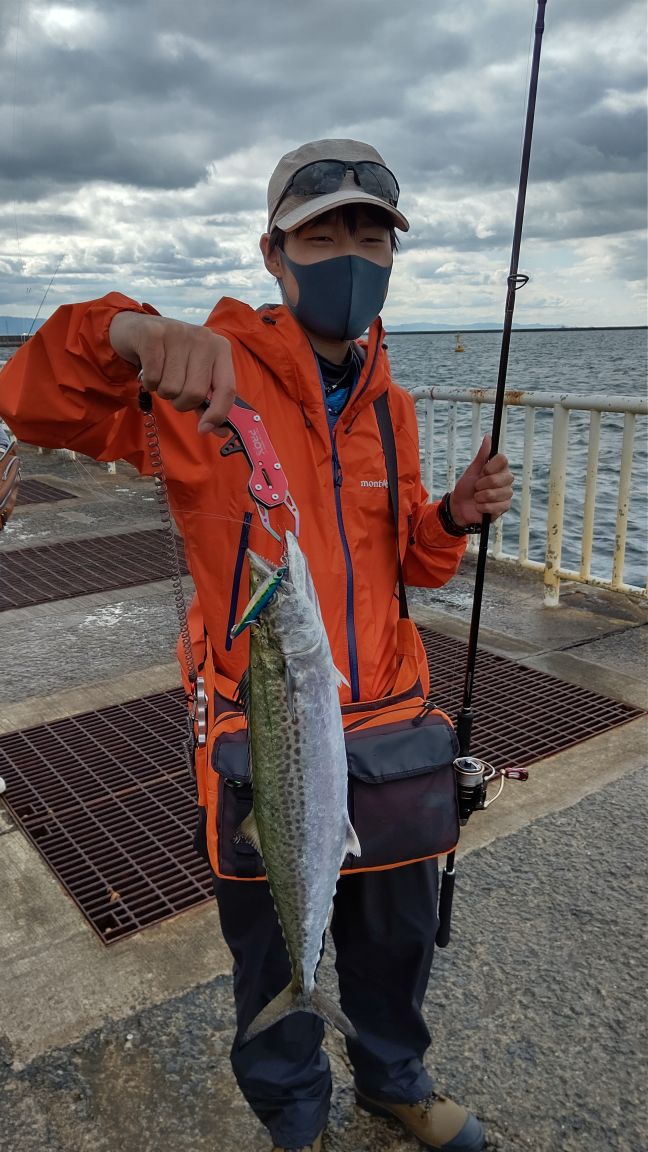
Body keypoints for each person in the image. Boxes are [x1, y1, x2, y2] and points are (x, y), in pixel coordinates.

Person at [0, 139, 513, 1152]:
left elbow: (411, 558)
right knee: (271, 945)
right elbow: (29, 397)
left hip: (395, 727)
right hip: (265, 724)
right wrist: (127, 331)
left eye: (372, 234)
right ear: (274, 251)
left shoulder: (394, 407)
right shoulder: (204, 379)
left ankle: (394, 1081)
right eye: (324, 233)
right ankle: (296, 1119)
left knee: (396, 941)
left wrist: (450, 515)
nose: (352, 253)